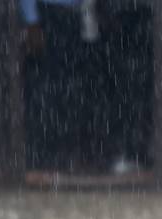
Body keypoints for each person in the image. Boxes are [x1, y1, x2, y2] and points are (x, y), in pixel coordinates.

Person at [20, 0, 106, 172]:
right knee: (49, 87)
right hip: (49, 13)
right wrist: (32, 21)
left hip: (80, 14)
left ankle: (71, 154)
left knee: (78, 89)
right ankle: (43, 155)